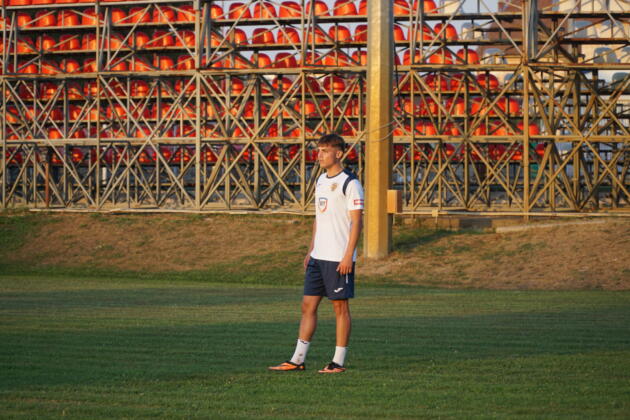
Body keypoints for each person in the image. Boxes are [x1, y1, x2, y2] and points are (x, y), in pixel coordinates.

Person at [269, 133, 364, 373]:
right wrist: (311, 249)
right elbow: (319, 218)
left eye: (325, 151)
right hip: (318, 257)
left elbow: (357, 222)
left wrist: (348, 256)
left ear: (338, 154)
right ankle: (297, 360)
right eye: (318, 150)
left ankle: (338, 362)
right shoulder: (321, 180)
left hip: (338, 259)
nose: (319, 155)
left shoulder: (350, 183)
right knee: (307, 306)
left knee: (340, 308)